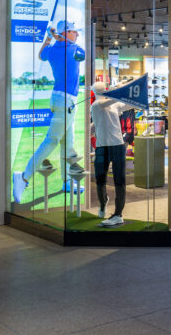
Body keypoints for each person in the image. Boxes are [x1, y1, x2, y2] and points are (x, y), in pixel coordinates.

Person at [12, 20, 86, 203]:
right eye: (74, 32)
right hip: (66, 101)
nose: (77, 35)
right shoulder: (74, 50)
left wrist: (49, 37)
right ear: (66, 33)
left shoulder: (52, 50)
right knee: (52, 140)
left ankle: (67, 181)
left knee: (68, 142)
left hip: (60, 99)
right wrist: (55, 34)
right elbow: (82, 54)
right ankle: (23, 177)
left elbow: (41, 55)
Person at [90, 81, 134, 226]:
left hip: (117, 145)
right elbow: (107, 103)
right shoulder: (96, 105)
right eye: (100, 90)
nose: (101, 91)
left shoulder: (114, 105)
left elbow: (130, 104)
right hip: (102, 146)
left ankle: (118, 214)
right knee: (100, 179)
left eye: (102, 89)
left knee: (119, 180)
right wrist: (118, 91)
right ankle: (103, 203)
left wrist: (131, 92)